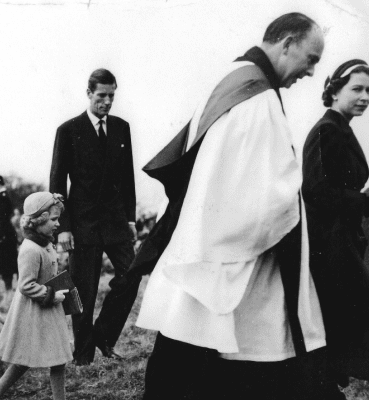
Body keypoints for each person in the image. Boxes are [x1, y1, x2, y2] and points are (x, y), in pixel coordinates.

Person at [135, 13, 331, 399]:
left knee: (184, 358)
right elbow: (264, 203)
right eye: (310, 59)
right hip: (229, 258)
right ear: (287, 43)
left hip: (202, 244)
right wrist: (297, 199)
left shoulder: (233, 79)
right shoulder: (258, 99)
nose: (310, 72)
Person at [49, 68, 137, 365]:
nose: (107, 102)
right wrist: (63, 227)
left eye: (112, 95)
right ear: (88, 94)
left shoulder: (122, 128)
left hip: (115, 221)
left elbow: (128, 179)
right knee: (83, 291)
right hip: (82, 223)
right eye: (101, 95)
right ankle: (83, 355)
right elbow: (57, 183)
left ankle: (104, 335)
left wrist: (131, 220)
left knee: (132, 273)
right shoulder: (69, 130)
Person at [302, 59, 369, 395]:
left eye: (368, 90)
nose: (365, 97)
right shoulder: (328, 129)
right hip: (329, 245)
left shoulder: (340, 127)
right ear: (335, 90)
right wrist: (363, 201)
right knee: (337, 321)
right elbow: (315, 189)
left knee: (342, 322)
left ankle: (329, 386)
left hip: (342, 240)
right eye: (357, 88)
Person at [0, 192, 72, 400]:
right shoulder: (30, 249)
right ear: (39, 220)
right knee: (24, 358)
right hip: (35, 309)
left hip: (49, 308)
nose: (58, 224)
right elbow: (25, 285)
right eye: (54, 219)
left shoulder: (46, 242)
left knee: (58, 359)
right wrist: (51, 295)